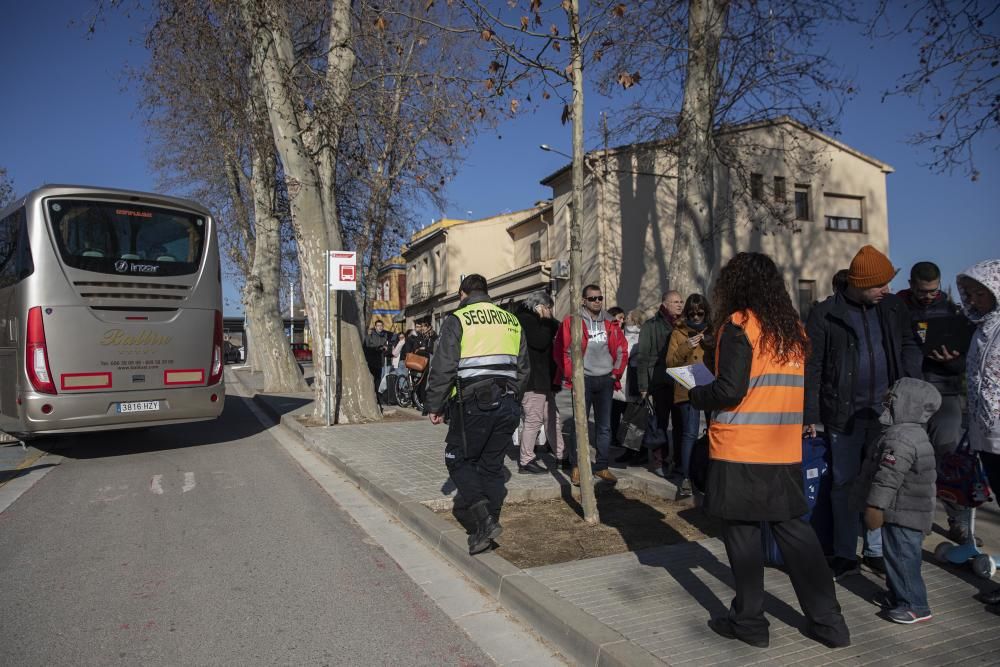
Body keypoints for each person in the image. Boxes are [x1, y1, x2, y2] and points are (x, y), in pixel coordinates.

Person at [689, 252, 850, 650]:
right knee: (796, 532)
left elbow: (730, 390)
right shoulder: (792, 329)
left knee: (742, 537)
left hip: (740, 448)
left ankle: (749, 624)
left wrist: (695, 393)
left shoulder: (740, 324)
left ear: (736, 285)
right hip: (782, 448)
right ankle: (830, 623)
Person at [804, 245, 922, 580]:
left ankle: (875, 549)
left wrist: (912, 383)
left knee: (882, 483)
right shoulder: (825, 314)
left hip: (888, 416)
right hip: (844, 416)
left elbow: (910, 343)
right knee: (845, 484)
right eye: (879, 284)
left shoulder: (893, 306)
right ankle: (844, 553)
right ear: (858, 283)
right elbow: (811, 367)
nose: (887, 289)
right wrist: (810, 416)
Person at [425, 274, 530, 555]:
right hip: (508, 402)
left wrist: (435, 405)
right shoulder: (511, 320)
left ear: (463, 294)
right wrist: (514, 397)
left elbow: (444, 367)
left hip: (473, 403)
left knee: (456, 458)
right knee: (491, 465)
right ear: (486, 291)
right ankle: (490, 524)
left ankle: (483, 522)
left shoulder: (458, 318)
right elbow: (523, 368)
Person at [898, 261, 975, 543]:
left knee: (949, 457)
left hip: (946, 393)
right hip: (910, 394)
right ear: (911, 284)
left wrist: (953, 361)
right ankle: (915, 522)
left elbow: (967, 360)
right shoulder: (897, 307)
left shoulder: (954, 310)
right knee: (914, 461)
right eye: (922, 291)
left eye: (933, 291)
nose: (928, 296)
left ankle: (959, 522)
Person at [853, 377, 941, 625]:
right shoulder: (905, 432)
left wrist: (875, 505)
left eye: (891, 401)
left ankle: (916, 606)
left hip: (905, 513)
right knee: (894, 556)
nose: (885, 404)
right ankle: (898, 595)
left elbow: (887, 478)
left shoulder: (901, 439)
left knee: (903, 558)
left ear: (908, 405)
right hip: (901, 510)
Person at [956, 260, 1000, 615]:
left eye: (978, 292)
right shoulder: (982, 328)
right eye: (968, 293)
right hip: (987, 436)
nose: (972, 299)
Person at [554, 284, 629, 485]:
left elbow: (622, 348)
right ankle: (577, 466)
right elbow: (561, 351)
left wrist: (615, 374)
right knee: (579, 424)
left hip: (605, 380)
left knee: (604, 427)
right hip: (582, 380)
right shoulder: (572, 322)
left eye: (600, 298)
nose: (597, 301)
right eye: (592, 298)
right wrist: (573, 376)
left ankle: (602, 466)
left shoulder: (610, 322)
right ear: (583, 301)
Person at [665, 293, 714, 498]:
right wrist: (687, 346)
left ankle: (711, 474)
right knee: (690, 433)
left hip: (711, 386)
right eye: (692, 314)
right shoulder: (678, 332)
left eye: (699, 313)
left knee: (714, 431)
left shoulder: (714, 330)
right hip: (688, 387)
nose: (695, 318)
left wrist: (709, 342)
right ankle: (685, 477)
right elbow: (670, 362)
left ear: (706, 312)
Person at [633, 290, 685, 473]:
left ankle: (680, 462)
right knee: (659, 424)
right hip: (659, 382)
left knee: (681, 425)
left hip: (681, 383)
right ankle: (659, 461)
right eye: (675, 302)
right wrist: (643, 386)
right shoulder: (651, 326)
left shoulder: (685, 324)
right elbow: (643, 357)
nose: (679, 305)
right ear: (665, 304)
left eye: (681, 301)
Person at [515, 291, 565, 474]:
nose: (551, 312)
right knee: (534, 419)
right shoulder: (526, 320)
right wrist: (546, 321)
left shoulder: (535, 321)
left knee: (552, 418)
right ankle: (526, 460)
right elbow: (540, 341)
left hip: (543, 380)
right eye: (549, 308)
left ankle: (561, 454)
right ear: (540, 307)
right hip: (532, 380)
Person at [611, 308, 644, 451]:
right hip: (619, 379)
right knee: (615, 412)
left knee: (630, 416)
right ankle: (618, 439)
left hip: (630, 380)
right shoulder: (622, 333)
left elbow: (627, 352)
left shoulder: (639, 335)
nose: (624, 319)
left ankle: (632, 447)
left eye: (627, 317)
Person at [363, 320, 391, 391]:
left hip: (380, 362)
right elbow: (366, 349)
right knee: (370, 379)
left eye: (381, 326)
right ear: (375, 327)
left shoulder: (385, 337)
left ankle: (378, 397)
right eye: (378, 326)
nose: (380, 327)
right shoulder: (369, 337)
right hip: (371, 362)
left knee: (378, 379)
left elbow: (388, 349)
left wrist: (387, 349)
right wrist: (379, 348)